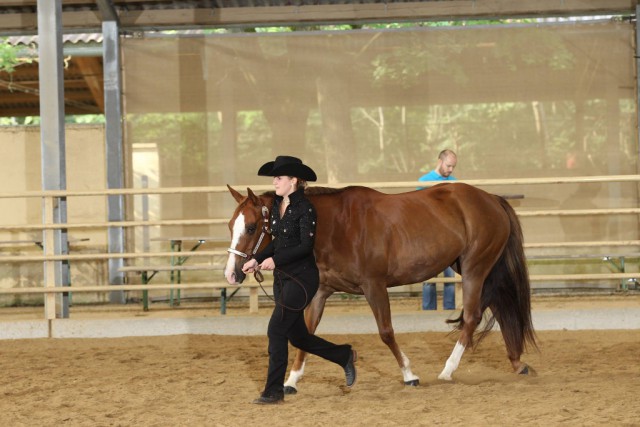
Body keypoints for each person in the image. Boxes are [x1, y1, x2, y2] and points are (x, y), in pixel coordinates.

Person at [242, 155, 357, 405]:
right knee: (298, 337)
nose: (275, 181)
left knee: (276, 329)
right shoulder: (276, 207)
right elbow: (277, 244)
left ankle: (273, 391)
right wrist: (256, 258)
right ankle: (343, 354)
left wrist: (277, 260)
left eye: (279, 177)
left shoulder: (305, 208)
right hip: (282, 280)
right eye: (274, 177)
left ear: (293, 180)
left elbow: (306, 246)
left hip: (303, 279)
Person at [418, 149, 458, 310]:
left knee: (450, 276)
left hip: (448, 236)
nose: (450, 170)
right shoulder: (424, 181)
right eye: (448, 166)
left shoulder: (455, 182)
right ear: (439, 162)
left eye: (453, 167)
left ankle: (448, 309)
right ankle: (428, 310)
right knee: (428, 276)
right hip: (429, 236)